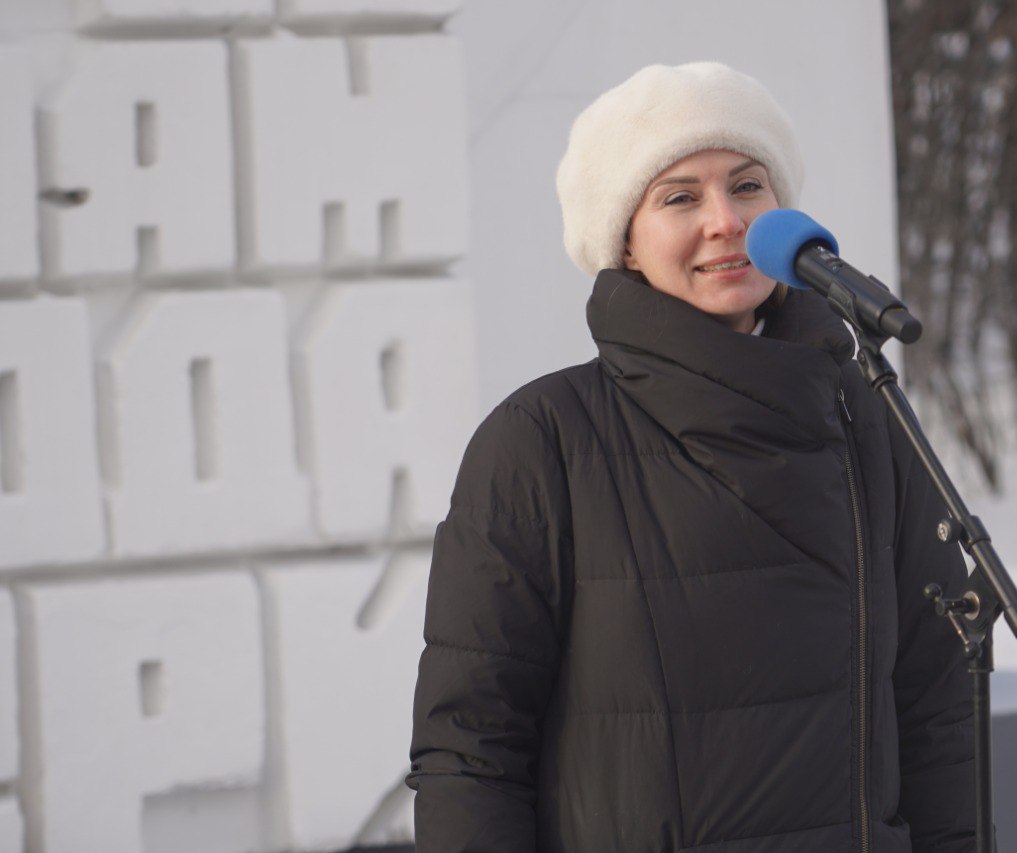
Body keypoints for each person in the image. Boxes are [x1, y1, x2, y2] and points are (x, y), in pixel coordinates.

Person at [407, 61, 975, 853]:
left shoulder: (866, 415)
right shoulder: (542, 440)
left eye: (748, 187)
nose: (726, 220)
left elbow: (937, 703)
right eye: (680, 196)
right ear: (626, 244)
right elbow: (470, 750)